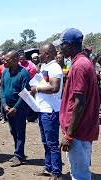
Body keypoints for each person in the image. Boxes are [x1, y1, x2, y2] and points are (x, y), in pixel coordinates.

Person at [55, 28, 100, 180]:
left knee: (79, 175)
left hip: (78, 131)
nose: (60, 49)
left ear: (70, 45)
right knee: (81, 171)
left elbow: (79, 103)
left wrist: (69, 135)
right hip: (82, 128)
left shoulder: (80, 66)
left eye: (62, 45)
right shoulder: (82, 63)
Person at [30, 44, 63, 179]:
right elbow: (42, 82)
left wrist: (37, 89)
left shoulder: (55, 67)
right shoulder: (44, 66)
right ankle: (49, 168)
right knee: (46, 142)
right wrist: (34, 85)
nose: (39, 55)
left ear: (47, 54)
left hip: (51, 111)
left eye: (41, 52)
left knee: (52, 143)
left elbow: (55, 88)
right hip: (42, 109)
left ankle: (56, 172)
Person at [0, 50, 30, 167]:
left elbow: (25, 93)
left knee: (20, 131)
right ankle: (18, 153)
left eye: (6, 60)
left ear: (14, 60)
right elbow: (2, 88)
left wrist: (15, 107)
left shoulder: (23, 73)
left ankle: (19, 155)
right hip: (8, 108)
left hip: (20, 108)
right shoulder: (5, 72)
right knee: (13, 131)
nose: (4, 62)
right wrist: (4, 105)